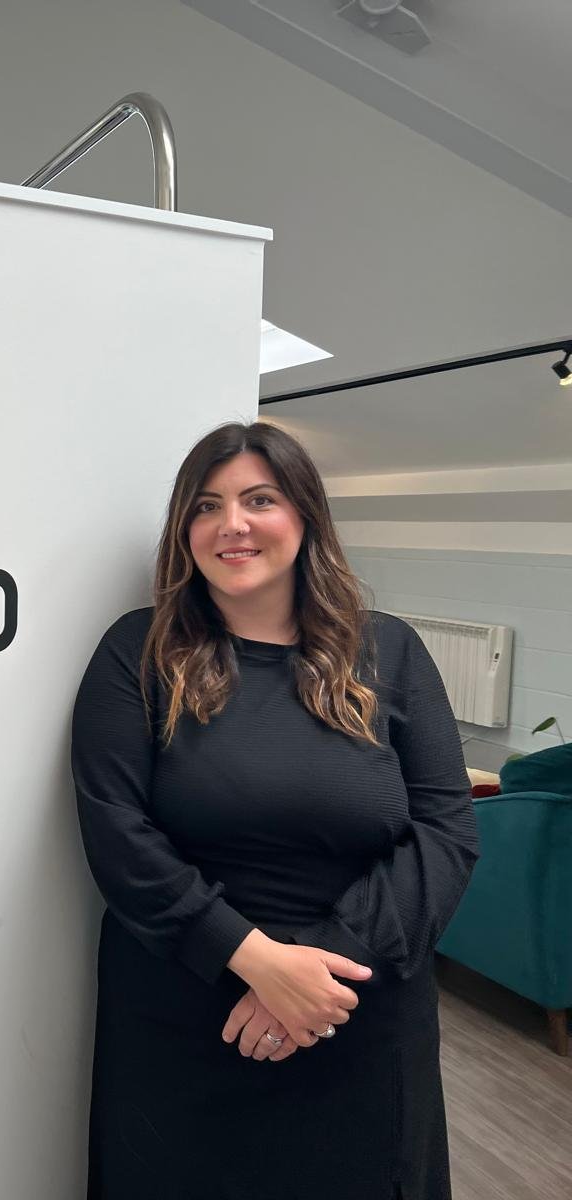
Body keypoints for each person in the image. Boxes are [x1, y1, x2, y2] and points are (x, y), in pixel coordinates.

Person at [70, 421, 480, 1200]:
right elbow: (117, 833)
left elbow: (445, 832)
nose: (232, 525)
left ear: (306, 516)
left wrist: (318, 974)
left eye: (260, 500)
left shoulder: (389, 652)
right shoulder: (138, 654)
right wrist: (254, 959)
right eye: (206, 505)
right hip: (186, 1021)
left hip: (355, 1013)